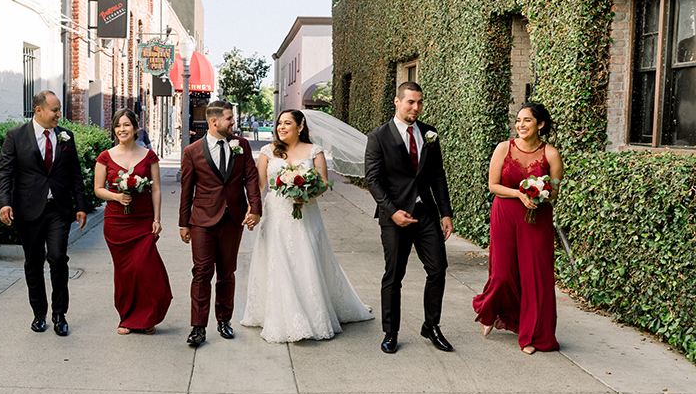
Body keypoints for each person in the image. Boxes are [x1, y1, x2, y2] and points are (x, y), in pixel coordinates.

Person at [241, 110, 374, 342]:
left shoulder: (314, 151)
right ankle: (280, 315)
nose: (281, 127)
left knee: (306, 257)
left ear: (300, 126)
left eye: (287, 123)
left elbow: (323, 182)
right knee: (278, 260)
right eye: (279, 123)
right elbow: (259, 185)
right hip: (276, 215)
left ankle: (313, 312)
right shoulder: (267, 152)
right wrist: (253, 211)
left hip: (306, 213)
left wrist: (307, 194)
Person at [365, 81, 454, 354]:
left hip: (425, 213)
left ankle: (432, 326)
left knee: (438, 268)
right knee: (394, 276)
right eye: (410, 102)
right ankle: (391, 332)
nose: (416, 108)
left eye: (419, 103)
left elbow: (437, 175)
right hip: (394, 216)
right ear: (397, 102)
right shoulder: (378, 136)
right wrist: (392, 212)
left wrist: (446, 213)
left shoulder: (430, 134)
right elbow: (373, 179)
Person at [473, 102, 563, 354]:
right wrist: (519, 193)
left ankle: (532, 335)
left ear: (540, 124)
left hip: (537, 218)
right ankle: (489, 311)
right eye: (518, 121)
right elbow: (493, 185)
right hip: (505, 213)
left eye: (527, 121)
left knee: (536, 277)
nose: (520, 125)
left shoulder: (551, 154)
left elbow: (554, 191)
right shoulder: (504, 148)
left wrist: (542, 194)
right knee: (502, 274)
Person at [0, 90, 87, 336]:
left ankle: (60, 314)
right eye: (55, 110)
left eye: (59, 110)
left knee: (58, 259)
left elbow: (75, 174)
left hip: (58, 209)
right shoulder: (16, 136)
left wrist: (80, 205)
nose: (59, 114)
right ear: (39, 111)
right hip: (28, 211)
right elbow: (4, 172)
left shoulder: (66, 137)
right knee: (33, 263)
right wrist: (4, 203)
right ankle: (39, 313)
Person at [179, 100, 261, 347]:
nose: (233, 122)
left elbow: (252, 179)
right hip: (202, 221)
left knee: (227, 273)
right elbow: (186, 190)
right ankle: (198, 327)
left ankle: (224, 320)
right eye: (229, 119)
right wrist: (184, 223)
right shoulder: (192, 151)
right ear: (214, 122)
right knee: (202, 273)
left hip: (232, 219)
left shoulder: (242, 146)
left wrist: (255, 209)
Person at [94, 109, 172, 334]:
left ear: (136, 128)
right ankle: (126, 318)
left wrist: (157, 219)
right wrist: (117, 196)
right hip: (117, 223)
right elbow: (98, 189)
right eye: (118, 125)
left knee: (146, 270)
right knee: (125, 271)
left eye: (126, 125)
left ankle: (149, 316)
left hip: (143, 220)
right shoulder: (105, 157)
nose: (122, 129)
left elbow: (156, 189)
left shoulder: (149, 156)